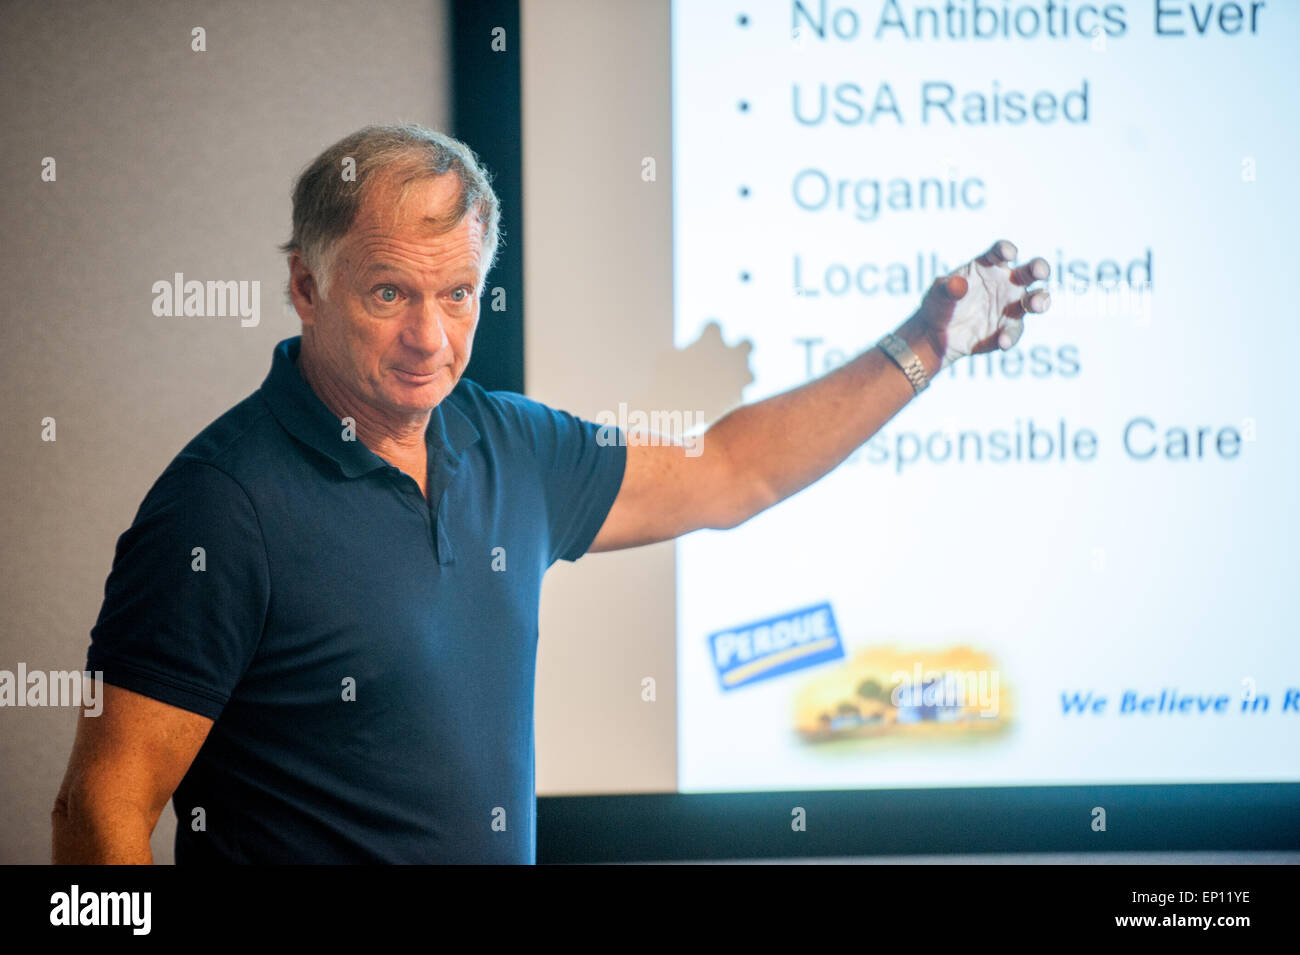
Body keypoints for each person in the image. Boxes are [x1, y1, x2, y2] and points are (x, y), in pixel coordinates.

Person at [51, 123, 1051, 863]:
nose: (430, 339)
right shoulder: (221, 506)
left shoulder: (508, 445)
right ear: (306, 287)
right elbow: (98, 815)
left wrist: (925, 346)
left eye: (457, 294)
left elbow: (732, 471)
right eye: (390, 291)